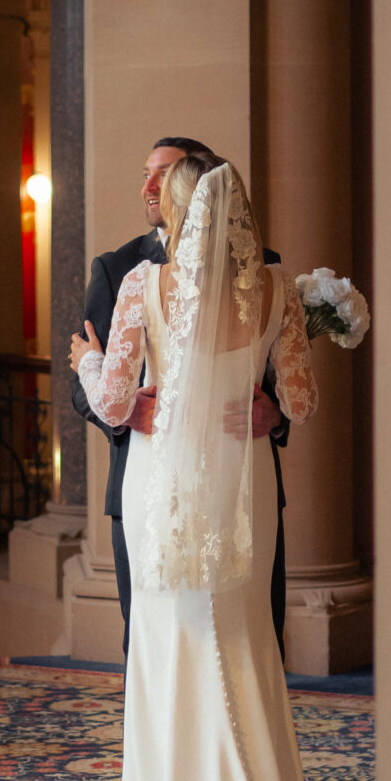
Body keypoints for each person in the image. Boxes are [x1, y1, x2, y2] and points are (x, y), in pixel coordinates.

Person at [71, 159, 376, 781]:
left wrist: (85, 361)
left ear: (175, 215)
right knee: (240, 645)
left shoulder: (142, 283)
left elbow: (115, 402)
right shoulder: (276, 288)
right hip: (240, 484)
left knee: (171, 650)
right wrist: (269, 406)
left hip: (164, 486)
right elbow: (302, 401)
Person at [72, 136, 287, 655]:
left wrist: (274, 415)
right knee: (156, 644)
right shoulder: (118, 267)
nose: (148, 187)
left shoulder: (264, 267)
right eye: (145, 174)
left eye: (162, 175)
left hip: (244, 479)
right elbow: (91, 398)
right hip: (149, 486)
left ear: (200, 183)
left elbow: (277, 382)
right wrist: (125, 416)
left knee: (250, 638)